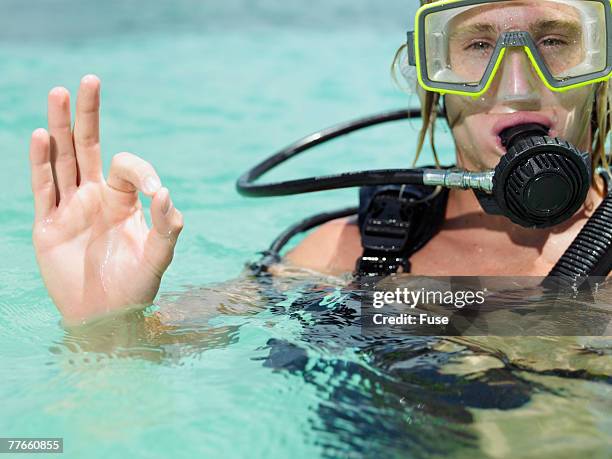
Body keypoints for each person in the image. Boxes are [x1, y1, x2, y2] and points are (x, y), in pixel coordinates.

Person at [29, 0, 612, 325]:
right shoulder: (346, 254)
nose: (517, 84)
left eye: (556, 40)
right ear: (432, 78)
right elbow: (143, 365)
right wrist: (103, 321)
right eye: (478, 45)